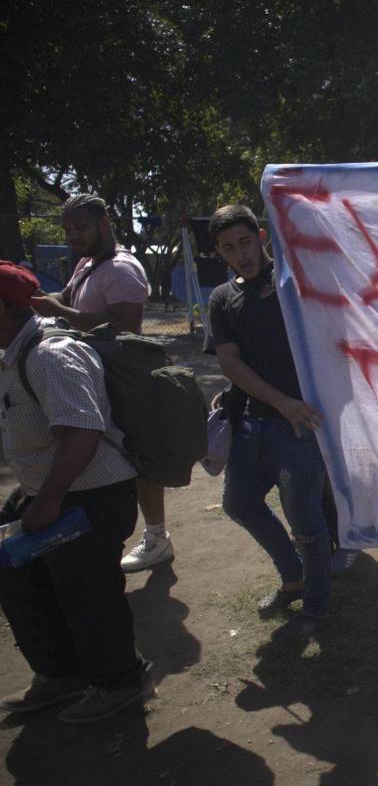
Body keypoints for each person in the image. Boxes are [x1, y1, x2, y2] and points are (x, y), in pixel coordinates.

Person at [0, 261, 154, 723]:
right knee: (23, 578)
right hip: (49, 491)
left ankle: (121, 681)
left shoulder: (51, 355)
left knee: (87, 594)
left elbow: (83, 433)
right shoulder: (14, 352)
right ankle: (62, 673)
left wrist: (48, 502)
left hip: (91, 495)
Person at [30, 195, 172, 574]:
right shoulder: (88, 263)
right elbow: (68, 298)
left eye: (81, 228)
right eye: (68, 230)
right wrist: (35, 298)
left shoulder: (122, 270)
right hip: (93, 377)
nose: (73, 236)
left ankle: (157, 537)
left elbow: (124, 325)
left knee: (137, 460)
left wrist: (60, 312)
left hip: (122, 379)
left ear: (104, 224)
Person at [207, 205, 332, 619]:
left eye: (245, 242)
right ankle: (293, 578)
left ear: (261, 237)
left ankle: (317, 605)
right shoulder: (222, 298)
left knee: (307, 525)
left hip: (300, 426)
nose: (240, 254)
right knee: (239, 504)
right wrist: (275, 401)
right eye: (228, 248)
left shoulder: (292, 281)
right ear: (219, 252)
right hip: (252, 424)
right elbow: (230, 361)